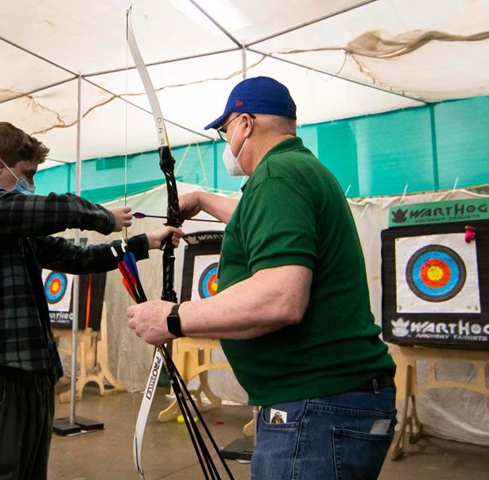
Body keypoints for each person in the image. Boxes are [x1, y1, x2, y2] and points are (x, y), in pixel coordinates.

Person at [126, 77, 397, 479]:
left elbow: (280, 297)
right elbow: (255, 220)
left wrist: (171, 318)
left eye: (225, 129)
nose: (225, 141)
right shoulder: (299, 170)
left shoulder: (278, 177)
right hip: (327, 403)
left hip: (314, 406)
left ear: (246, 124)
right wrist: (200, 199)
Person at [0, 121, 180, 480]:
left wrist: (148, 242)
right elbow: (49, 210)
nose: (30, 186)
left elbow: (77, 257)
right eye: (26, 175)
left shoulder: (14, 228)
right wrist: (102, 216)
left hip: (33, 375)